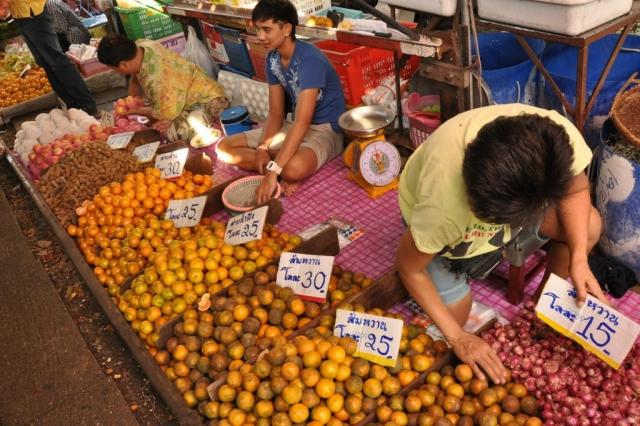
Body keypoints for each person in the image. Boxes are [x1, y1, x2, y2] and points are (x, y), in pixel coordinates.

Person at [396, 104, 606, 384]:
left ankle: (542, 305)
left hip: (513, 200)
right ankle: (458, 273)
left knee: (589, 225)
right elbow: (409, 268)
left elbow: (576, 191)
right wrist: (458, 337)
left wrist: (579, 258)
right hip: (447, 228)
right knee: (452, 320)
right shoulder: (444, 204)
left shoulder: (554, 143)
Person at [216, 0, 346, 203]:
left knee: (293, 169)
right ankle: (281, 160)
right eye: (258, 30)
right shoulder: (272, 59)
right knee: (224, 148)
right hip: (293, 125)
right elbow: (276, 113)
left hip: (325, 130)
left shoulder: (310, 60)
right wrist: (262, 148)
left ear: (286, 28)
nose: (260, 37)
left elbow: (304, 122)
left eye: (267, 29)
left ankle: (282, 164)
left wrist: (272, 173)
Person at [97, 33, 229, 142]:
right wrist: (133, 98)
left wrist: (134, 110)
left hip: (210, 102)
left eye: (114, 69)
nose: (116, 72)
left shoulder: (156, 81)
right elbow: (135, 82)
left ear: (123, 65)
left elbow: (163, 114)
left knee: (170, 134)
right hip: (193, 89)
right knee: (158, 120)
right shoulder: (143, 45)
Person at [5, 0, 96, 114]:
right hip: (21, 15)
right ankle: (69, 103)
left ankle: (85, 103)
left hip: (33, 13)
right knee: (44, 61)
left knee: (56, 60)